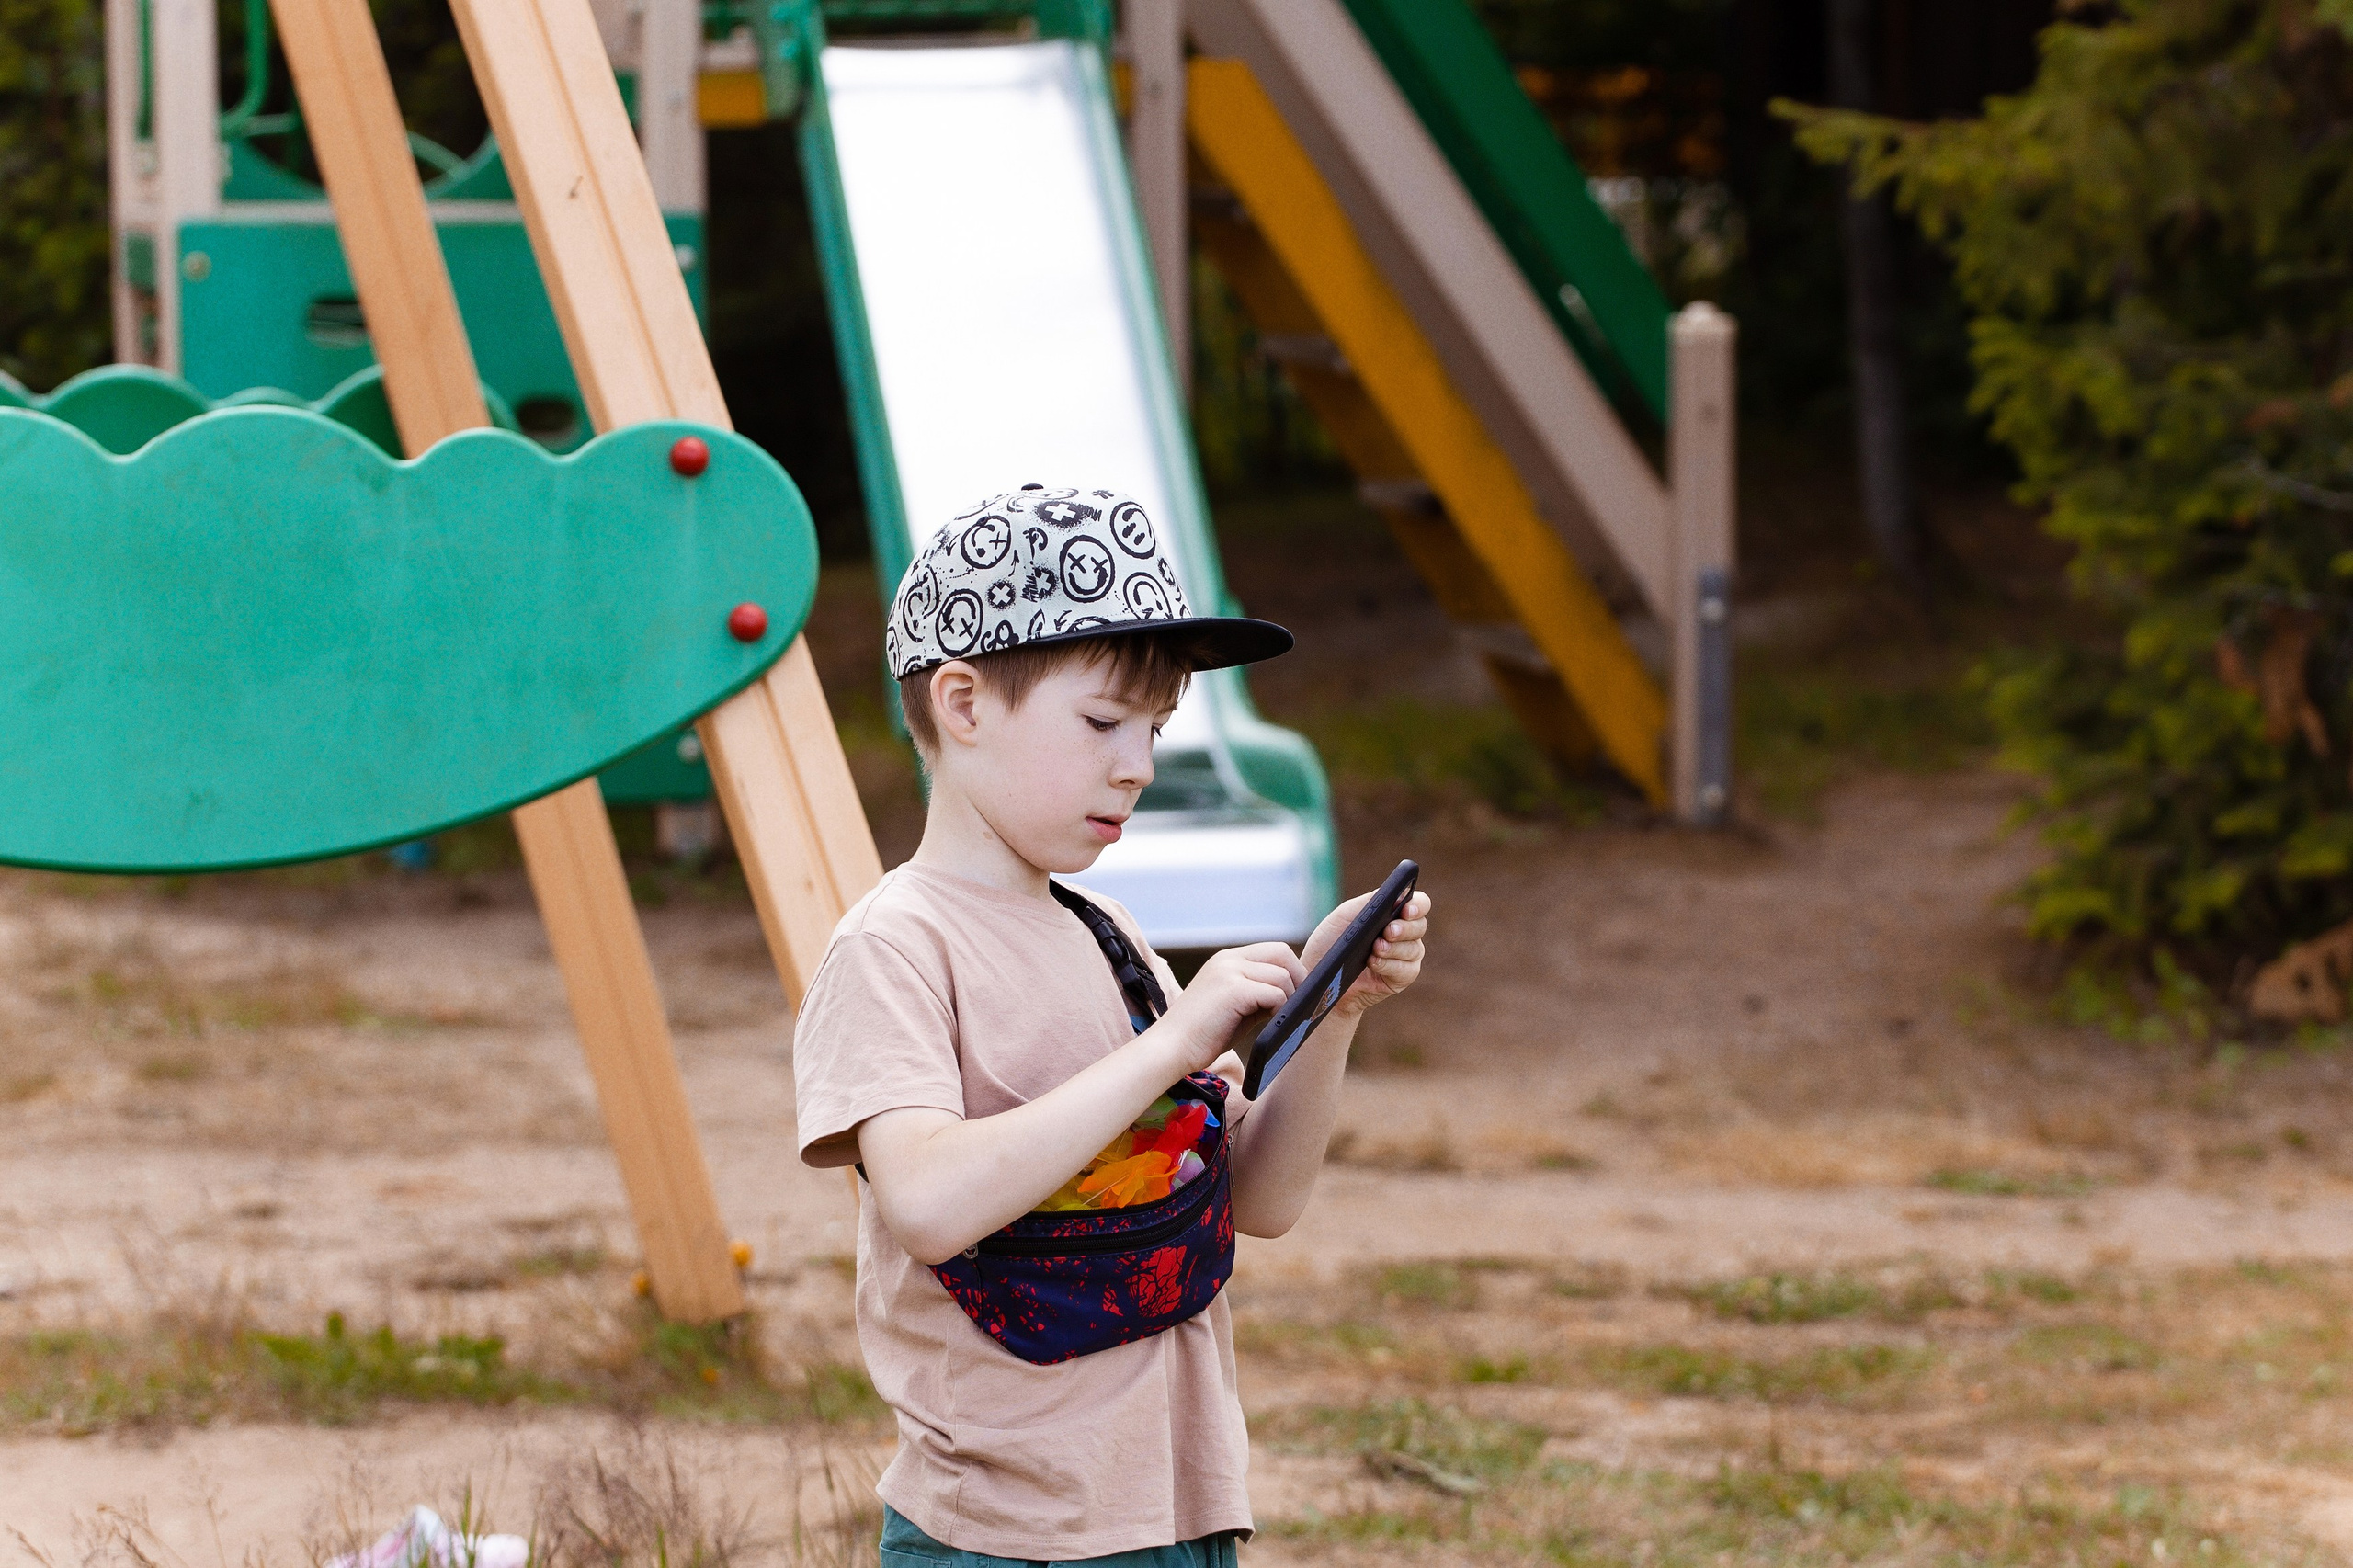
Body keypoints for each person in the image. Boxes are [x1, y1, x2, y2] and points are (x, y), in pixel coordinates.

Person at [792, 484, 1432, 1568]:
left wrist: (1333, 1013)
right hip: (1007, 1535)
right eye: (1101, 722)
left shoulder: (1112, 935)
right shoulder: (893, 947)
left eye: (1155, 729)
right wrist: (1173, 1044)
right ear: (962, 702)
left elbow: (1257, 1200)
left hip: (1177, 1509)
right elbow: (930, 1202)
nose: (1137, 763)